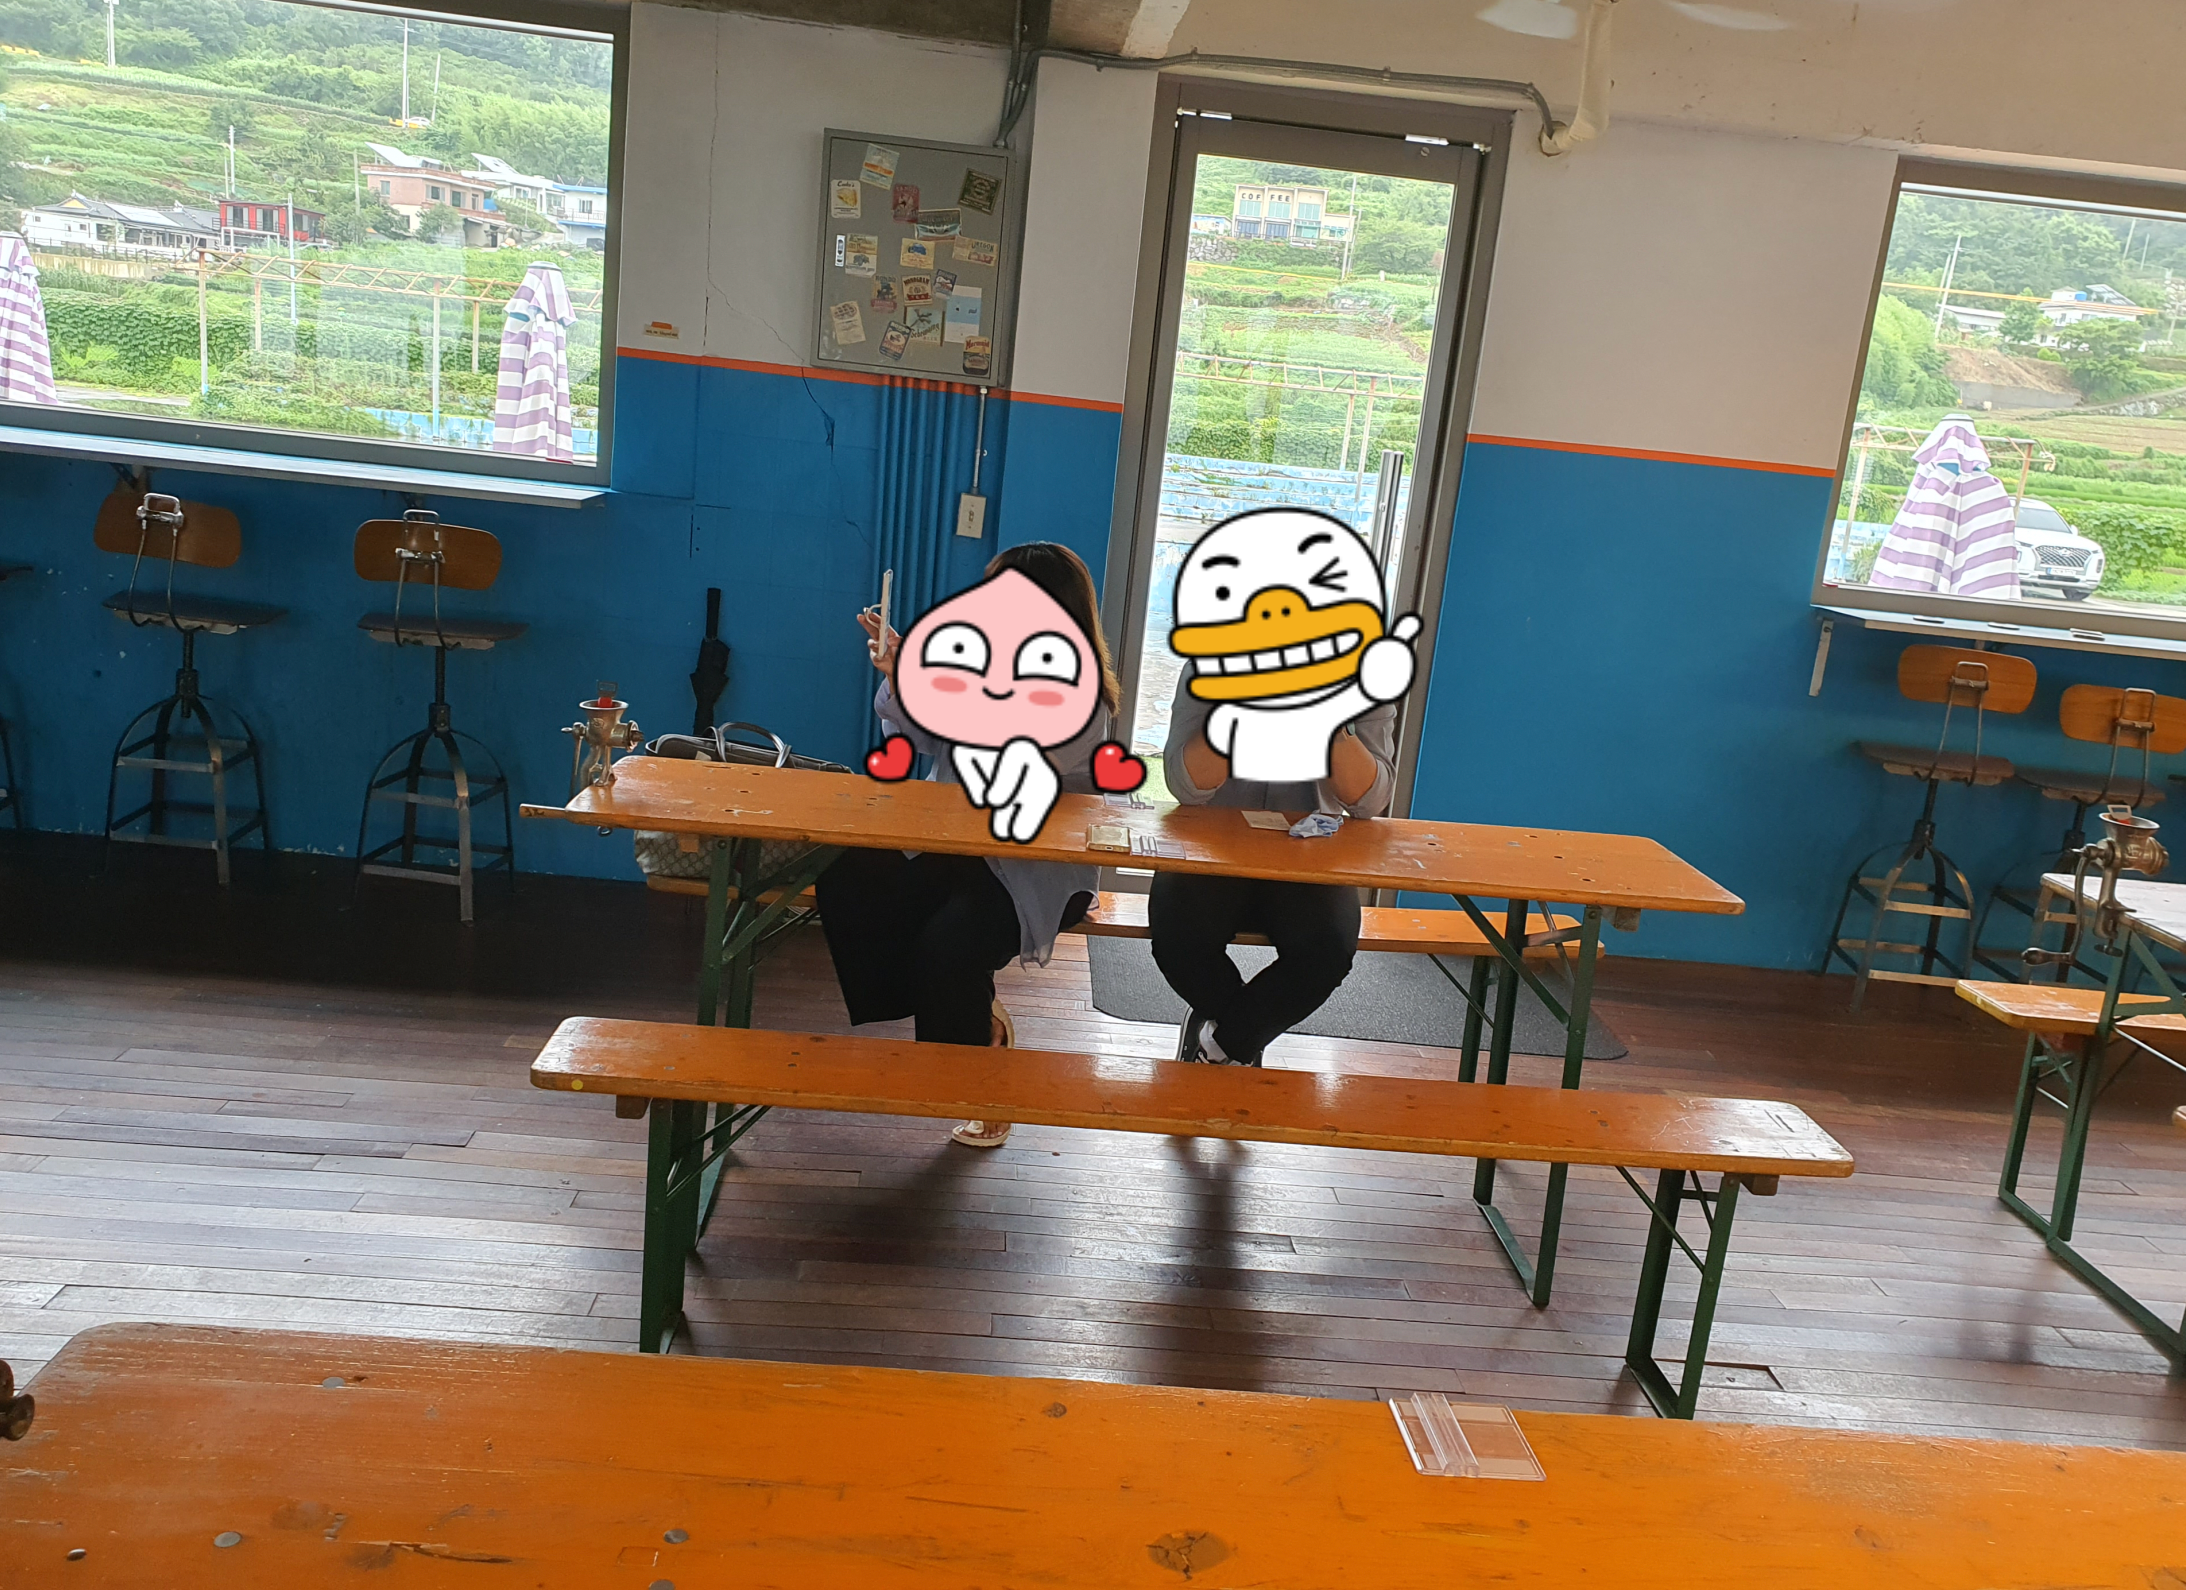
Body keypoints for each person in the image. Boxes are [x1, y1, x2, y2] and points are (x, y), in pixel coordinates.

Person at [816, 542, 1118, 1148]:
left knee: (951, 943)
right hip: (960, 846)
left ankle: (977, 1065)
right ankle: (957, 1016)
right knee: (850, 876)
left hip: (1037, 869)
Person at [1151, 671, 1396, 1067]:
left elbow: (1370, 801)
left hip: (1311, 856)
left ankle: (1221, 1041)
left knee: (1328, 949)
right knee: (1178, 935)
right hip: (1212, 848)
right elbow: (1187, 786)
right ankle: (1240, 1037)